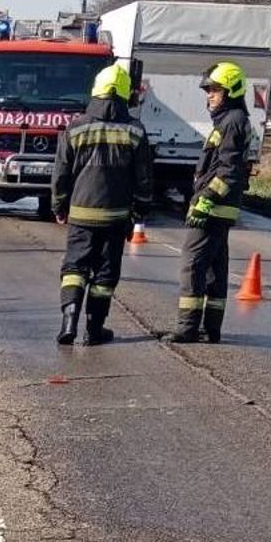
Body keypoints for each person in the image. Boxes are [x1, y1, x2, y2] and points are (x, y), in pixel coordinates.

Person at [51, 64, 152, 346]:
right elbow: (143, 178)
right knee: (105, 275)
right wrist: (141, 211)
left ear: (95, 90)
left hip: (81, 214)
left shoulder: (75, 128)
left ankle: (68, 323)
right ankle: (94, 330)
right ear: (124, 94)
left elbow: (61, 173)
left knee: (74, 268)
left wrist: (59, 206)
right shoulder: (135, 131)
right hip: (116, 218)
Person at [165, 62, 251, 344]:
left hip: (213, 207)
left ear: (231, 90)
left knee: (193, 265)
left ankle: (187, 328)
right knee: (214, 268)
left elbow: (228, 171)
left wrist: (205, 201)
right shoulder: (230, 120)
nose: (209, 96)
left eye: (214, 91)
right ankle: (210, 327)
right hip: (220, 208)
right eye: (209, 91)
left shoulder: (233, 121)